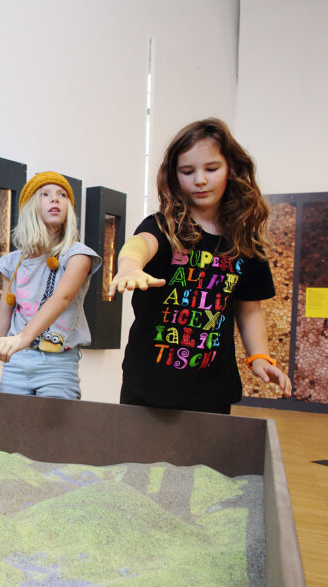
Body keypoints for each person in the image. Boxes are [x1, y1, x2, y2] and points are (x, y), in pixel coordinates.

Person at [108, 117, 293, 413]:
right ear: (174, 176)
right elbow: (141, 243)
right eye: (187, 171)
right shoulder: (164, 227)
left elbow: (249, 311)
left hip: (212, 388)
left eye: (211, 169)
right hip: (149, 385)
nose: (200, 180)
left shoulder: (245, 241)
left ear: (231, 169)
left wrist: (259, 357)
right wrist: (130, 265)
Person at [0, 172, 101, 399]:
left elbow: (62, 298)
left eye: (62, 195)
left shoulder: (78, 255)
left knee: (54, 422)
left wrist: (22, 338)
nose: (55, 199)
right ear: (30, 207)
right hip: (16, 362)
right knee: (11, 421)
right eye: (45, 194)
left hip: (58, 363)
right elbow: (3, 315)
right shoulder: (13, 262)